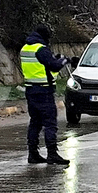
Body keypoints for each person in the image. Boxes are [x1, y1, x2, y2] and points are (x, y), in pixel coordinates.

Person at [19, 25, 70, 166]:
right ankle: (52, 154)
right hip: (44, 92)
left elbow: (43, 65)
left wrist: (55, 59)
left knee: (35, 122)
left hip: (31, 90)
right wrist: (64, 60)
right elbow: (53, 66)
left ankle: (33, 153)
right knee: (50, 123)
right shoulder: (41, 49)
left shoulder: (25, 48)